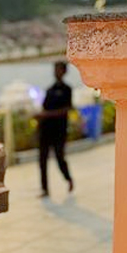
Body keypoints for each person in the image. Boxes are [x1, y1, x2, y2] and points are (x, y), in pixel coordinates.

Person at [37, 60, 74, 197]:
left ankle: (68, 179)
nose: (56, 72)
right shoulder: (50, 90)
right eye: (55, 69)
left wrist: (47, 114)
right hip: (46, 130)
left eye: (58, 69)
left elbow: (67, 109)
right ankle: (44, 188)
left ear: (64, 71)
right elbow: (44, 107)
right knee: (42, 160)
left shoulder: (67, 90)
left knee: (59, 157)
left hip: (59, 130)